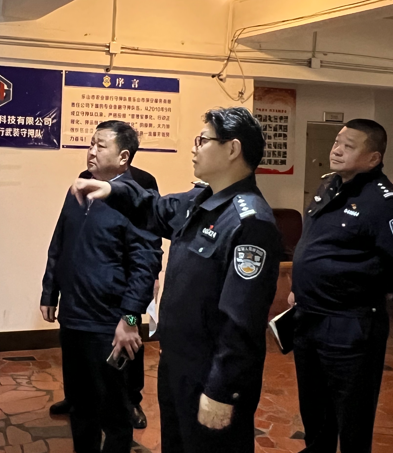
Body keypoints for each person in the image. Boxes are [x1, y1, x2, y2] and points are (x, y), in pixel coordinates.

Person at [72, 107, 284, 453]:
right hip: (177, 363)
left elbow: (241, 322)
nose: (194, 148)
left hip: (210, 372)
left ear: (232, 149)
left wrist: (221, 390)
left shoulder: (250, 223)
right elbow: (154, 209)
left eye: (203, 140)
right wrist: (112, 190)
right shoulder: (200, 200)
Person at [289, 119, 393, 453]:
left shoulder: (384, 202)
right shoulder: (330, 186)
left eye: (349, 146)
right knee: (314, 410)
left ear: (373, 158)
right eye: (337, 142)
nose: (337, 150)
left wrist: (365, 288)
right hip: (309, 318)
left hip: (349, 325)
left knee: (352, 417)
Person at [40, 120, 162, 453]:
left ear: (123, 157)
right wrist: (50, 291)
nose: (91, 151)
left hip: (110, 323)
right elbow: (60, 241)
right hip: (74, 316)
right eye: (90, 143)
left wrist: (131, 320)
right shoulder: (80, 187)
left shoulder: (137, 200)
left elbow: (145, 266)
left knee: (114, 410)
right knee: (80, 405)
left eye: (101, 145)